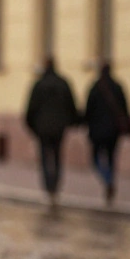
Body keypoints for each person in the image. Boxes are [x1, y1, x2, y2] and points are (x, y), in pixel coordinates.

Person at [24, 57, 79, 203]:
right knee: (57, 155)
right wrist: (72, 122)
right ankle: (56, 184)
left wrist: (32, 126)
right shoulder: (63, 83)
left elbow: (31, 108)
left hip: (42, 128)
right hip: (59, 127)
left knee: (44, 156)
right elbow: (71, 105)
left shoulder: (39, 85)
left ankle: (48, 185)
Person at [83, 63, 130, 203]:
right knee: (111, 159)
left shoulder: (95, 88)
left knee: (95, 160)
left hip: (97, 131)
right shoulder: (117, 87)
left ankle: (107, 179)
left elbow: (88, 110)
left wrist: (85, 124)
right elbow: (125, 108)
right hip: (114, 131)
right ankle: (110, 180)